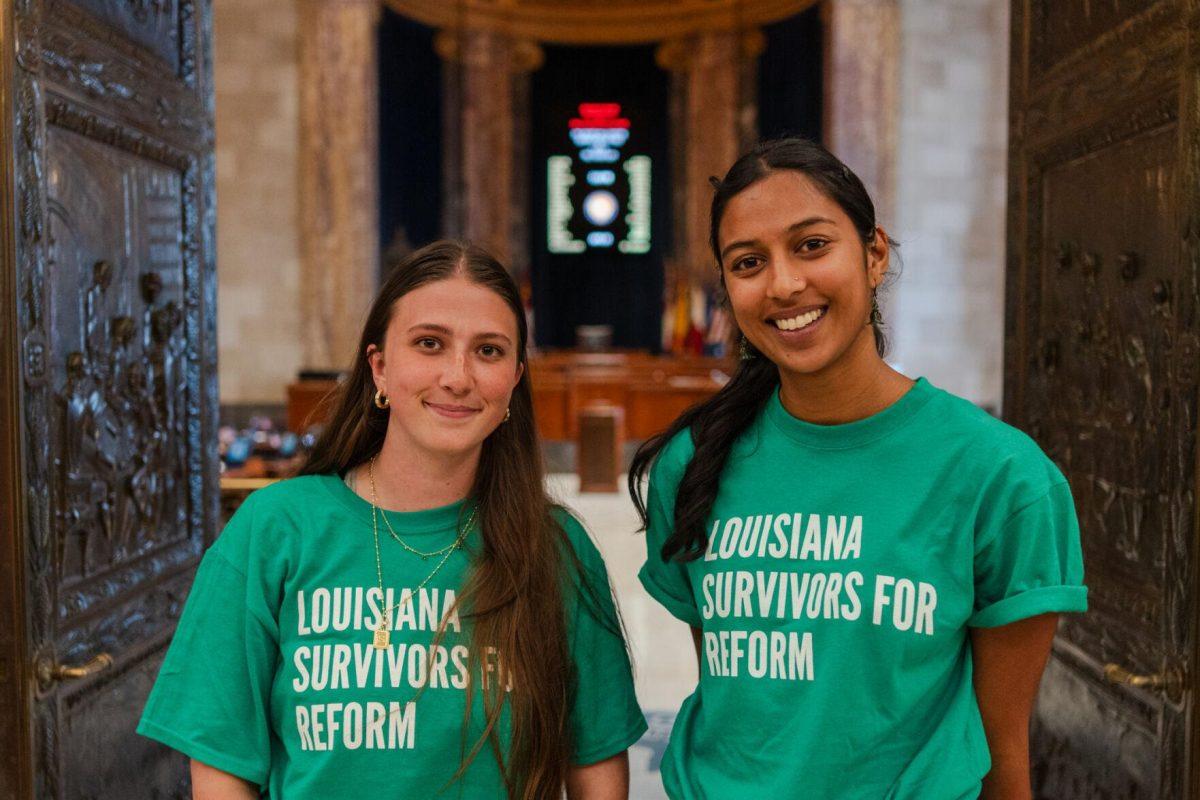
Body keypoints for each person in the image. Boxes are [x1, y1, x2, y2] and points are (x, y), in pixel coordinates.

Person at [629, 138, 1086, 800]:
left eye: (811, 245)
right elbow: (740, 700)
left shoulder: (1001, 478)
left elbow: (1003, 751)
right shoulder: (694, 463)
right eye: (749, 262)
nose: (784, 284)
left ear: (874, 254)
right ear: (727, 286)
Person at [139, 240, 647, 799]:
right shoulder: (276, 528)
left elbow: (595, 769)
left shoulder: (556, 548)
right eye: (429, 343)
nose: (458, 377)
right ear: (379, 366)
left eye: (489, 351)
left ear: (513, 382)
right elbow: (222, 763)